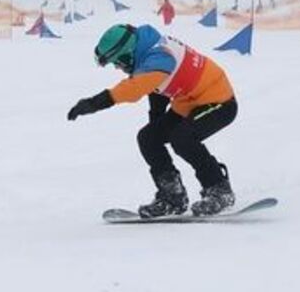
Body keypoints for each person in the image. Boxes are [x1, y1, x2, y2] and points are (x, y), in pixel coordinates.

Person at [67, 23, 237, 217]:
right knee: (148, 137)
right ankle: (172, 197)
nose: (118, 67)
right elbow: (158, 88)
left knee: (182, 139)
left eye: (119, 62)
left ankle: (219, 190)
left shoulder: (158, 57)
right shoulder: (148, 49)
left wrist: (92, 103)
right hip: (189, 102)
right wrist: (156, 121)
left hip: (219, 102)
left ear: (128, 53)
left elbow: (134, 89)